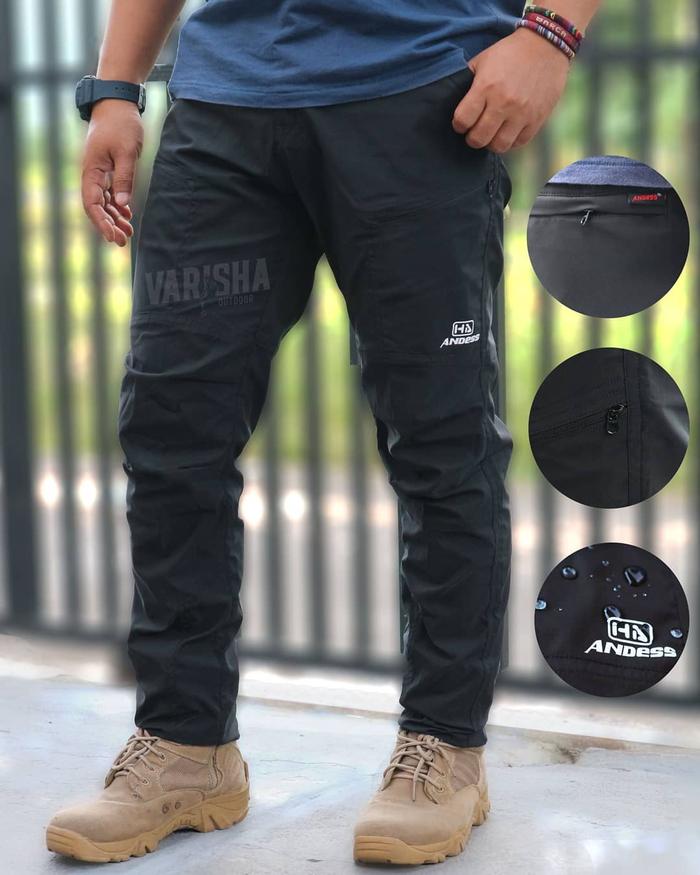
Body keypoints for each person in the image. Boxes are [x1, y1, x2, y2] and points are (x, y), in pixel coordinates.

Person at [47, 0, 600, 865]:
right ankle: (187, 743)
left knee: (439, 437)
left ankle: (444, 746)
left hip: (420, 94)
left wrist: (553, 33)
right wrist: (115, 88)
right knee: (170, 424)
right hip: (224, 110)